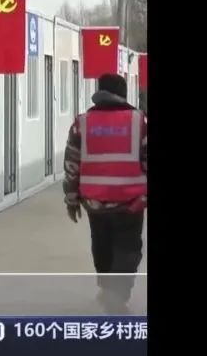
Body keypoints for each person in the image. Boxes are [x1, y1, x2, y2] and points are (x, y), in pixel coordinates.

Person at [63, 73, 147, 314]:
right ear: (123, 93)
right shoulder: (140, 121)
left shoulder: (82, 123)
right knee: (128, 248)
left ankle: (108, 289)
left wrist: (71, 199)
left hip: (95, 202)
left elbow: (72, 163)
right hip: (130, 201)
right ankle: (116, 296)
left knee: (102, 245)